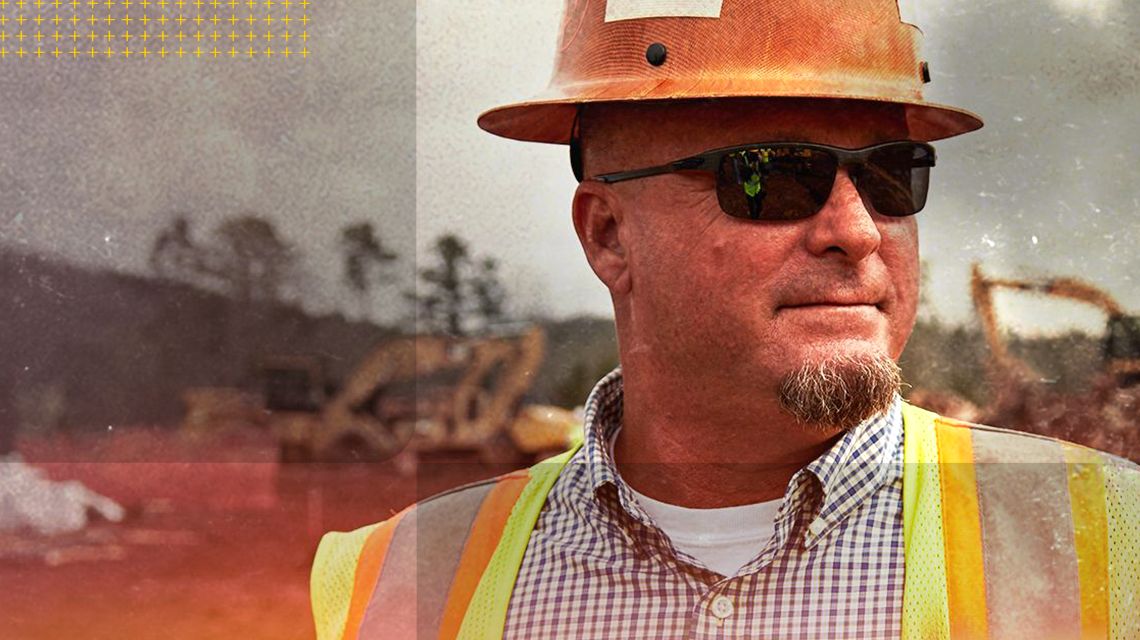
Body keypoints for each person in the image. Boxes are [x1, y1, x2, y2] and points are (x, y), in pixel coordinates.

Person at [311, 1, 1140, 638]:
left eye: (893, 174)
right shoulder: (400, 584)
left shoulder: (1114, 541)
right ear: (609, 235)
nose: (858, 230)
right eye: (770, 176)